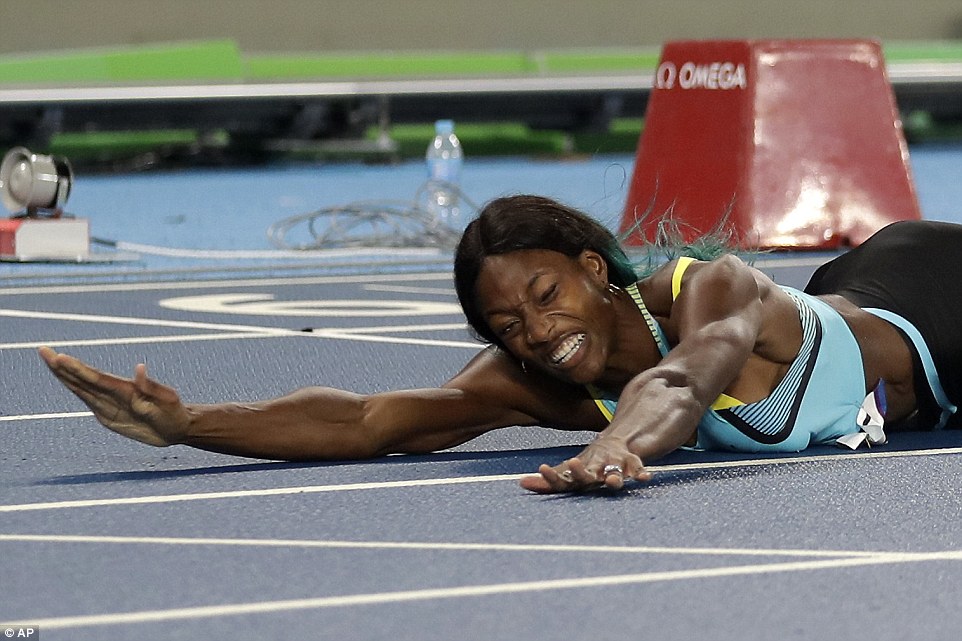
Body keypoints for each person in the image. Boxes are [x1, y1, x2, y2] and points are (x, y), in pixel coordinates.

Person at [38, 195, 960, 494]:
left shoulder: (711, 290)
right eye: (508, 326)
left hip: (935, 297)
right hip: (866, 308)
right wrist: (189, 422)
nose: (539, 332)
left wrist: (615, 445)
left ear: (596, 269)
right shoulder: (540, 379)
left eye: (546, 296)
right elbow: (368, 420)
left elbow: (687, 378)